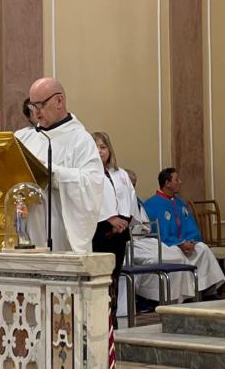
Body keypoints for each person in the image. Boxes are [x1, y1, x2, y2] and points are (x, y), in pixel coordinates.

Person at [15, 78, 103, 253]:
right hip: (26, 232)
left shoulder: (80, 139)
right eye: (32, 106)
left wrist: (50, 172)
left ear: (59, 101)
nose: (36, 113)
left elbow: (92, 184)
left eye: (40, 105)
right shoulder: (24, 138)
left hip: (60, 232)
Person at [143, 168, 224, 298]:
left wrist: (190, 241)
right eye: (176, 179)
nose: (180, 182)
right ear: (167, 183)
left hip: (185, 244)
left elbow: (190, 226)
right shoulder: (152, 205)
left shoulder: (180, 203)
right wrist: (179, 244)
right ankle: (184, 294)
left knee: (202, 248)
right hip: (168, 246)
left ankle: (207, 290)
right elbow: (157, 233)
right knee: (176, 255)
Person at [91, 132, 132, 320]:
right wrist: (109, 219)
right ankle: (101, 318)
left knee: (115, 276)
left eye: (103, 147)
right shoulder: (89, 174)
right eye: (96, 147)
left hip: (120, 232)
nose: (100, 151)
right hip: (99, 231)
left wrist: (123, 221)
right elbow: (88, 201)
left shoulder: (120, 173)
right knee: (101, 278)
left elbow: (129, 198)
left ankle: (112, 317)